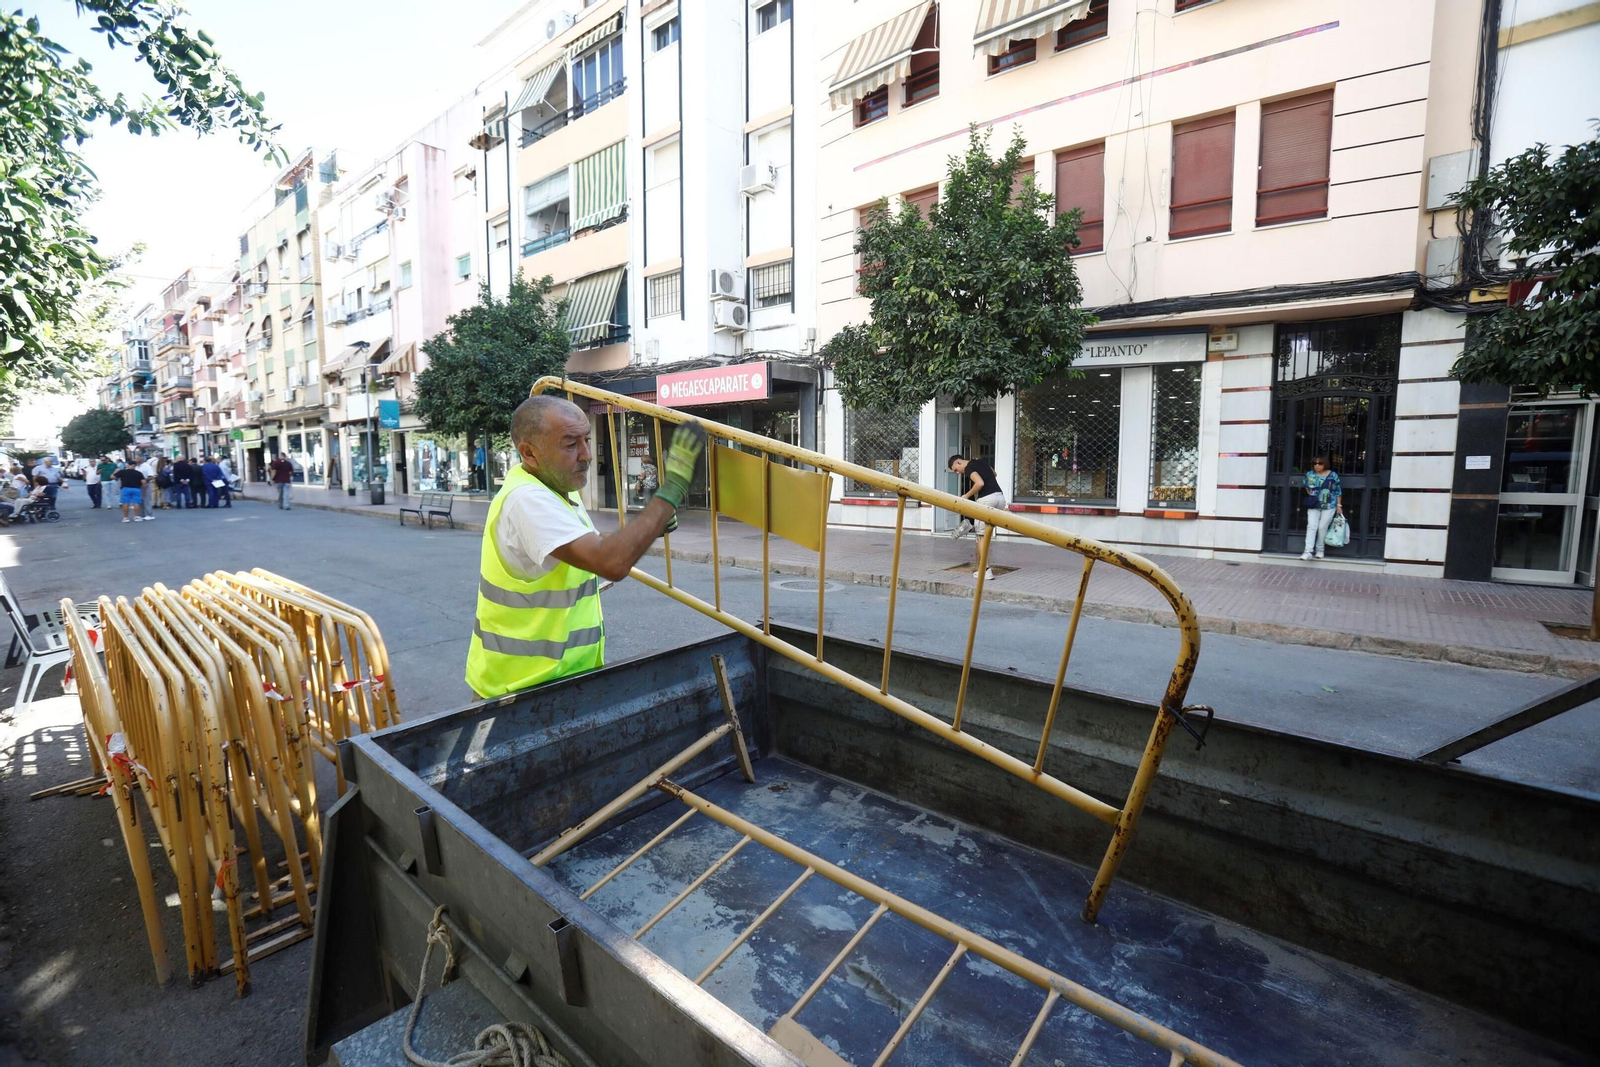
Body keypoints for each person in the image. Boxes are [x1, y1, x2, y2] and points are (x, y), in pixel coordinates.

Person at [465, 395, 707, 699]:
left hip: (557, 683)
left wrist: (650, 526)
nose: (587, 455)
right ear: (529, 453)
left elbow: (593, 545)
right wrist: (671, 490)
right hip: (518, 692)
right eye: (570, 444)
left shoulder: (558, 489)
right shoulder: (527, 500)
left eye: (587, 440)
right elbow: (610, 562)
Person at [947, 453, 1007, 580]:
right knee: (986, 535)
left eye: (956, 470)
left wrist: (966, 496)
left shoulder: (969, 468)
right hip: (1000, 498)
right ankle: (981, 568)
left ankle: (985, 570)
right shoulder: (982, 461)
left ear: (958, 462)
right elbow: (994, 474)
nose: (958, 473)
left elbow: (979, 483)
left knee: (981, 537)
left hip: (986, 500)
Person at [1301, 455, 1343, 561]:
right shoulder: (1310, 474)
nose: (1317, 465)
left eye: (1320, 463)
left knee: (1322, 527)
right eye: (1315, 463)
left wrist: (1339, 505)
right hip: (1314, 505)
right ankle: (1308, 551)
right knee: (1311, 526)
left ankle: (1320, 550)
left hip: (1329, 505)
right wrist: (1312, 496)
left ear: (1325, 464)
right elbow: (1306, 485)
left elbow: (1338, 491)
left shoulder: (1333, 475)